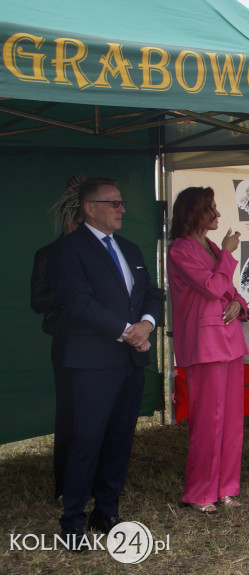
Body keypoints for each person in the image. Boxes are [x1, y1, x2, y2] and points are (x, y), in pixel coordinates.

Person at [48, 177, 161, 546]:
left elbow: (150, 293)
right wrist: (127, 330)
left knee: (119, 438)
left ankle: (107, 510)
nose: (122, 209)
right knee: (87, 440)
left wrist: (146, 324)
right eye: (113, 203)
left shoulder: (129, 247)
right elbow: (79, 303)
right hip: (93, 363)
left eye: (122, 202)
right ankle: (73, 520)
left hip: (130, 360)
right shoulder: (69, 249)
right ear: (90, 208)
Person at [167, 187, 248, 514]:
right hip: (204, 346)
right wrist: (228, 254)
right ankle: (200, 492)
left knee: (231, 421)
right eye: (210, 209)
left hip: (229, 342)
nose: (216, 214)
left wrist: (239, 306)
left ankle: (226, 488)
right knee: (208, 421)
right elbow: (213, 286)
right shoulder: (180, 251)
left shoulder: (212, 247)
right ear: (192, 213)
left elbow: (230, 292)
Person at [30, 175, 83, 502]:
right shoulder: (48, 255)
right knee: (69, 413)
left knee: (97, 414)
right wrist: (70, 297)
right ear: (69, 218)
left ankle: (95, 478)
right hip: (66, 341)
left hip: (102, 341)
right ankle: (65, 485)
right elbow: (38, 301)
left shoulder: (104, 254)